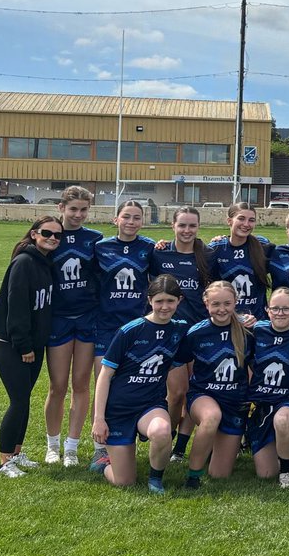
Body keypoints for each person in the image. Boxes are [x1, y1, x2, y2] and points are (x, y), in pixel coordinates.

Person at [90, 275, 188, 493]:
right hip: (119, 409)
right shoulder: (129, 331)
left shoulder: (179, 329)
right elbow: (105, 375)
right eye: (159, 301)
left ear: (179, 301)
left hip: (150, 405)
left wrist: (241, 320)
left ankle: (155, 480)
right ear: (150, 300)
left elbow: (209, 328)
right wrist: (99, 419)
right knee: (124, 481)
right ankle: (104, 464)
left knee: (162, 431)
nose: (165, 306)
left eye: (170, 301)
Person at [90, 199, 156, 468]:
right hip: (106, 326)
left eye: (137, 217)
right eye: (126, 216)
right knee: (103, 383)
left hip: (137, 327)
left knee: (132, 383)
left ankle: (132, 433)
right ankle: (99, 448)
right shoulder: (100, 247)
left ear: (143, 221)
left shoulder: (149, 248)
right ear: (116, 219)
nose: (131, 222)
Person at [0, 217, 58, 477]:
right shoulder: (24, 262)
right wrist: (23, 345)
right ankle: (4, 461)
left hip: (33, 343)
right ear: (34, 234)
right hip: (13, 343)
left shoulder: (46, 263)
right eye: (47, 233)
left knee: (24, 400)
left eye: (57, 235)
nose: (52, 238)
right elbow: (17, 308)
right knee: (18, 401)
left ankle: (16, 453)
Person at [42, 186, 101, 468]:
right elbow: (28, 264)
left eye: (83, 209)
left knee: (81, 384)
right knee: (57, 386)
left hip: (88, 318)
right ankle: (52, 445)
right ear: (61, 208)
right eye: (73, 209)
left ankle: (72, 447)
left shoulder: (95, 239)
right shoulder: (51, 235)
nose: (78, 214)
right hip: (59, 318)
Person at [150, 205, 211, 462]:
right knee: (176, 393)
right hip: (170, 333)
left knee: (194, 392)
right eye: (182, 225)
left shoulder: (207, 256)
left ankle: (180, 448)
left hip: (198, 333)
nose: (187, 230)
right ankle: (168, 437)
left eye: (192, 225)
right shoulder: (159, 253)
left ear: (198, 227)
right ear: (173, 226)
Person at [179, 281, 253, 487]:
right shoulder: (196, 333)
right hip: (204, 395)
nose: (222, 309)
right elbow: (177, 363)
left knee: (219, 474)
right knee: (211, 417)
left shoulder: (248, 331)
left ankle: (211, 445)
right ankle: (193, 477)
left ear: (236, 302)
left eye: (227, 303)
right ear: (206, 303)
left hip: (235, 402)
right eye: (216, 304)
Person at [247, 288, 289, 489]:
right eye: (275, 308)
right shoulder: (256, 330)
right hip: (260, 403)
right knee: (266, 473)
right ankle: (275, 447)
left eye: (286, 309)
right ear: (267, 310)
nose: (280, 313)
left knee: (283, 421)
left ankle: (287, 472)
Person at [208, 202, 272, 326]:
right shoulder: (216, 248)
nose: (246, 224)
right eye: (241, 218)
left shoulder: (263, 246)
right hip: (226, 321)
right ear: (229, 221)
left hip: (258, 322)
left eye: (251, 220)